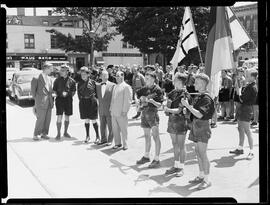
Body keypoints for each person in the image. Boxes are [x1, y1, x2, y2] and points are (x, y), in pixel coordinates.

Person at [181, 73, 215, 190]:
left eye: (196, 82)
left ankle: (207, 179)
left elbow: (200, 114)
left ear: (202, 84)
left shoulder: (206, 98)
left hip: (202, 127)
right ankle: (201, 175)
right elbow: (194, 112)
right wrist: (188, 110)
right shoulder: (199, 96)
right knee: (198, 153)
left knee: (203, 154)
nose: (194, 84)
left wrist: (188, 107)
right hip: (195, 126)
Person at [164, 73, 191, 177]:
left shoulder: (185, 94)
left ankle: (181, 167)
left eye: (175, 80)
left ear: (181, 82)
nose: (173, 82)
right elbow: (167, 101)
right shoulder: (173, 92)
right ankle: (175, 165)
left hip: (180, 121)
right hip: (171, 121)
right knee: (174, 144)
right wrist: (165, 104)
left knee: (181, 145)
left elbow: (180, 110)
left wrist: (168, 109)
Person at [136, 69, 164, 168]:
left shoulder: (158, 90)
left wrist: (152, 101)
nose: (145, 79)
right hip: (144, 114)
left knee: (156, 137)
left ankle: (156, 159)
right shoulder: (144, 88)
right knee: (147, 136)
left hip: (153, 115)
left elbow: (160, 105)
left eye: (147, 78)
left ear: (153, 79)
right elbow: (137, 94)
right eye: (145, 78)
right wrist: (138, 101)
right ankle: (146, 156)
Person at [229, 69, 258, 160]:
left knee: (247, 131)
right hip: (243, 108)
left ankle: (251, 151)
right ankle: (240, 148)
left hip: (246, 109)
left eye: (248, 75)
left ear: (253, 77)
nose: (246, 77)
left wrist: (239, 90)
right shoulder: (249, 85)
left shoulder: (251, 87)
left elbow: (241, 99)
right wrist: (240, 88)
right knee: (240, 128)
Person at [31, 63, 54, 140]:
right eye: (50, 69)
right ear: (46, 68)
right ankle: (36, 134)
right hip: (40, 102)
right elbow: (33, 92)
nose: (52, 70)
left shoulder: (50, 78)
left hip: (49, 102)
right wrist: (36, 102)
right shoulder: (36, 78)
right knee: (40, 119)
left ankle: (44, 134)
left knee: (48, 119)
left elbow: (50, 90)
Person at [77, 66, 100, 144]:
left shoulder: (93, 82)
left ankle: (97, 136)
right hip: (83, 101)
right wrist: (82, 101)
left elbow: (97, 93)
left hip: (92, 102)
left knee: (93, 119)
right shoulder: (79, 83)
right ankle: (87, 136)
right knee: (86, 119)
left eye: (84, 74)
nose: (83, 76)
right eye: (81, 74)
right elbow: (78, 94)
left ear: (88, 74)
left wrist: (95, 100)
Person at [110, 71, 132, 150]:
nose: (116, 78)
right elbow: (113, 98)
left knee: (123, 129)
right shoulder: (115, 86)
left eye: (118, 76)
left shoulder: (126, 86)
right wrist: (111, 108)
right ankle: (117, 143)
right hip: (114, 111)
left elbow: (128, 100)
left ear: (122, 77)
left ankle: (125, 144)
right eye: (116, 76)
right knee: (115, 129)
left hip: (121, 111)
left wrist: (125, 110)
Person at [53, 65, 76, 140]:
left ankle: (65, 132)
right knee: (59, 116)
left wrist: (68, 94)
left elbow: (73, 92)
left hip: (68, 100)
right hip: (59, 100)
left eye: (63, 71)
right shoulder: (57, 80)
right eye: (61, 70)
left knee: (67, 116)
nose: (61, 72)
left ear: (67, 72)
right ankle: (58, 133)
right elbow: (54, 90)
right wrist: (59, 94)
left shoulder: (72, 81)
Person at [96, 70, 116, 146]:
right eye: (103, 75)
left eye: (106, 75)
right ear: (100, 76)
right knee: (102, 125)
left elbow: (114, 98)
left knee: (111, 125)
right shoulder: (97, 85)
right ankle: (103, 139)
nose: (105, 77)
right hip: (101, 109)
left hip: (109, 108)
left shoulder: (113, 85)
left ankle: (110, 140)